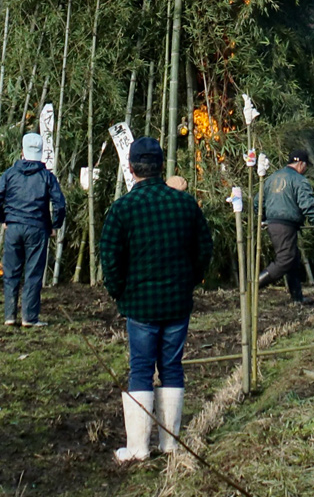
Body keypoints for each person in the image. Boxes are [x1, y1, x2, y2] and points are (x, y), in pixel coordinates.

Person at [99, 138, 213, 462]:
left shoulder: (122, 208)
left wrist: (119, 290)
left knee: (140, 370)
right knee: (172, 368)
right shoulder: (185, 204)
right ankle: (170, 444)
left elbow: (109, 256)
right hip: (177, 301)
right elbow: (205, 248)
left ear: (131, 168)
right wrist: (191, 279)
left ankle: (137, 448)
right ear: (162, 167)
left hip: (139, 305)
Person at [0, 133, 65, 327]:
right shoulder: (46, 176)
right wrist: (55, 225)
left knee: (11, 273)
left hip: (13, 227)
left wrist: (3, 219)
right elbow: (60, 204)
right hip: (38, 229)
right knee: (33, 274)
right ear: (41, 154)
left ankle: (9, 316)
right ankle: (29, 317)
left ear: (22, 152)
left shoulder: (10, 174)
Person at [258, 149, 314, 305]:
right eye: (306, 166)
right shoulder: (299, 180)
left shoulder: (272, 178)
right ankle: (254, 286)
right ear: (301, 164)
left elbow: (258, 201)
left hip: (274, 224)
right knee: (285, 259)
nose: (305, 169)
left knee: (293, 259)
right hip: (285, 225)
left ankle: (297, 297)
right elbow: (307, 203)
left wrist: (263, 218)